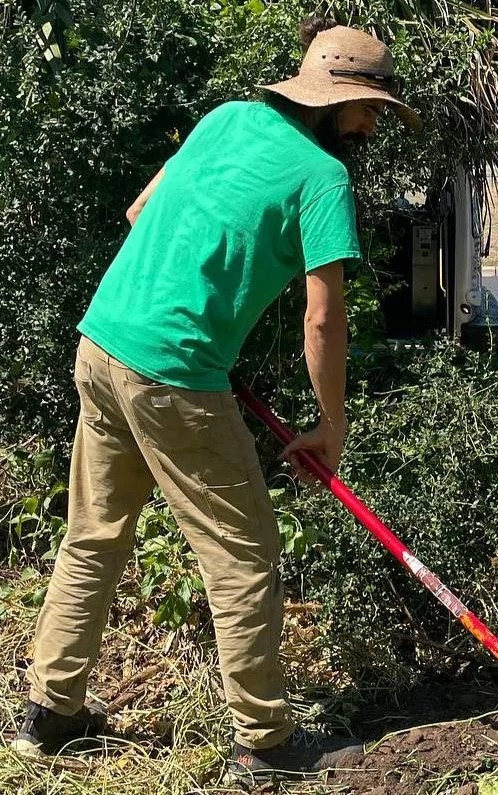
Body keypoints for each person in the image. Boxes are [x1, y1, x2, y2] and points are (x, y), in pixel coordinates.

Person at [11, 17, 420, 783]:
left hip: (103, 343)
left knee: (93, 535)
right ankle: (264, 742)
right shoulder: (324, 177)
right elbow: (323, 316)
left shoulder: (227, 118)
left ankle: (50, 712)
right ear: (337, 101)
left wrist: (190, 303)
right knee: (242, 556)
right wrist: (329, 426)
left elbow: (139, 212)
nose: (371, 122)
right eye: (369, 106)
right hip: (173, 372)